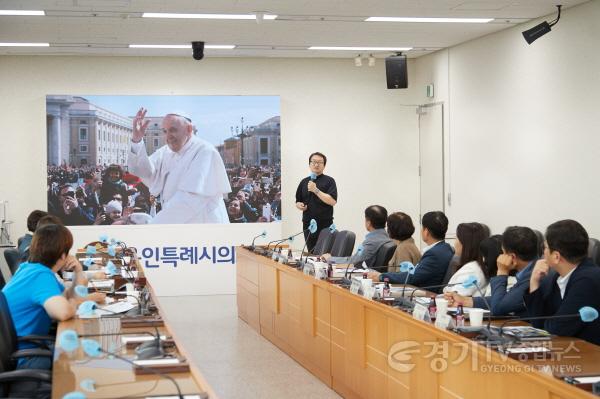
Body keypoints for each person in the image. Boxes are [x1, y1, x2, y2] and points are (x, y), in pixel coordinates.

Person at [2, 224, 104, 370]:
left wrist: (78, 271)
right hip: (24, 356)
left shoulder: (30, 268)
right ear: (63, 255)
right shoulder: (40, 275)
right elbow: (63, 312)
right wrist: (78, 301)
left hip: (18, 348)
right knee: (83, 359)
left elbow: (67, 296)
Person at [128, 108, 231, 224]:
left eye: (173, 130)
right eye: (165, 131)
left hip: (203, 224)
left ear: (189, 129)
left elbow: (189, 200)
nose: (168, 136)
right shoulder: (165, 152)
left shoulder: (204, 151)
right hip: (177, 223)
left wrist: (154, 226)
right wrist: (136, 141)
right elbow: (142, 171)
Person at [524, 220, 600, 345]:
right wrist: (534, 282)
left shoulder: (588, 280)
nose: (543, 253)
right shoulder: (557, 278)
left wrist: (548, 323)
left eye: (545, 248)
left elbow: (558, 328)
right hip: (570, 349)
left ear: (556, 256)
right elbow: (538, 323)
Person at [445, 227, 538, 317]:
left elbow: (497, 308)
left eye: (503, 253)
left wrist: (502, 272)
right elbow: (506, 300)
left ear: (512, 257)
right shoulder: (528, 271)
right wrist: (465, 300)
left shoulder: (534, 276)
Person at [372, 211, 454, 292]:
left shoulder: (434, 254)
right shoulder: (445, 248)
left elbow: (412, 278)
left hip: (422, 295)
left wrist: (382, 277)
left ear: (426, 231)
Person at [322, 205, 392, 268]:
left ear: (368, 223)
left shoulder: (372, 241)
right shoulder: (387, 238)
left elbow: (354, 261)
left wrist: (330, 258)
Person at [295, 152, 337, 251]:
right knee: (311, 252)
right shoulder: (304, 182)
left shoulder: (329, 181)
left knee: (324, 253)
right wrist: (299, 205)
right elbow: (298, 201)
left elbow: (332, 201)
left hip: (325, 224)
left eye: (319, 162)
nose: (316, 164)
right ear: (309, 164)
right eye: (313, 162)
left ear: (324, 165)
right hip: (308, 223)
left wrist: (316, 190)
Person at [443, 222, 489, 296]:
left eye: (456, 238)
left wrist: (446, 290)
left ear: (465, 243)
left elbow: (453, 296)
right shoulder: (475, 266)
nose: (455, 242)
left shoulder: (471, 271)